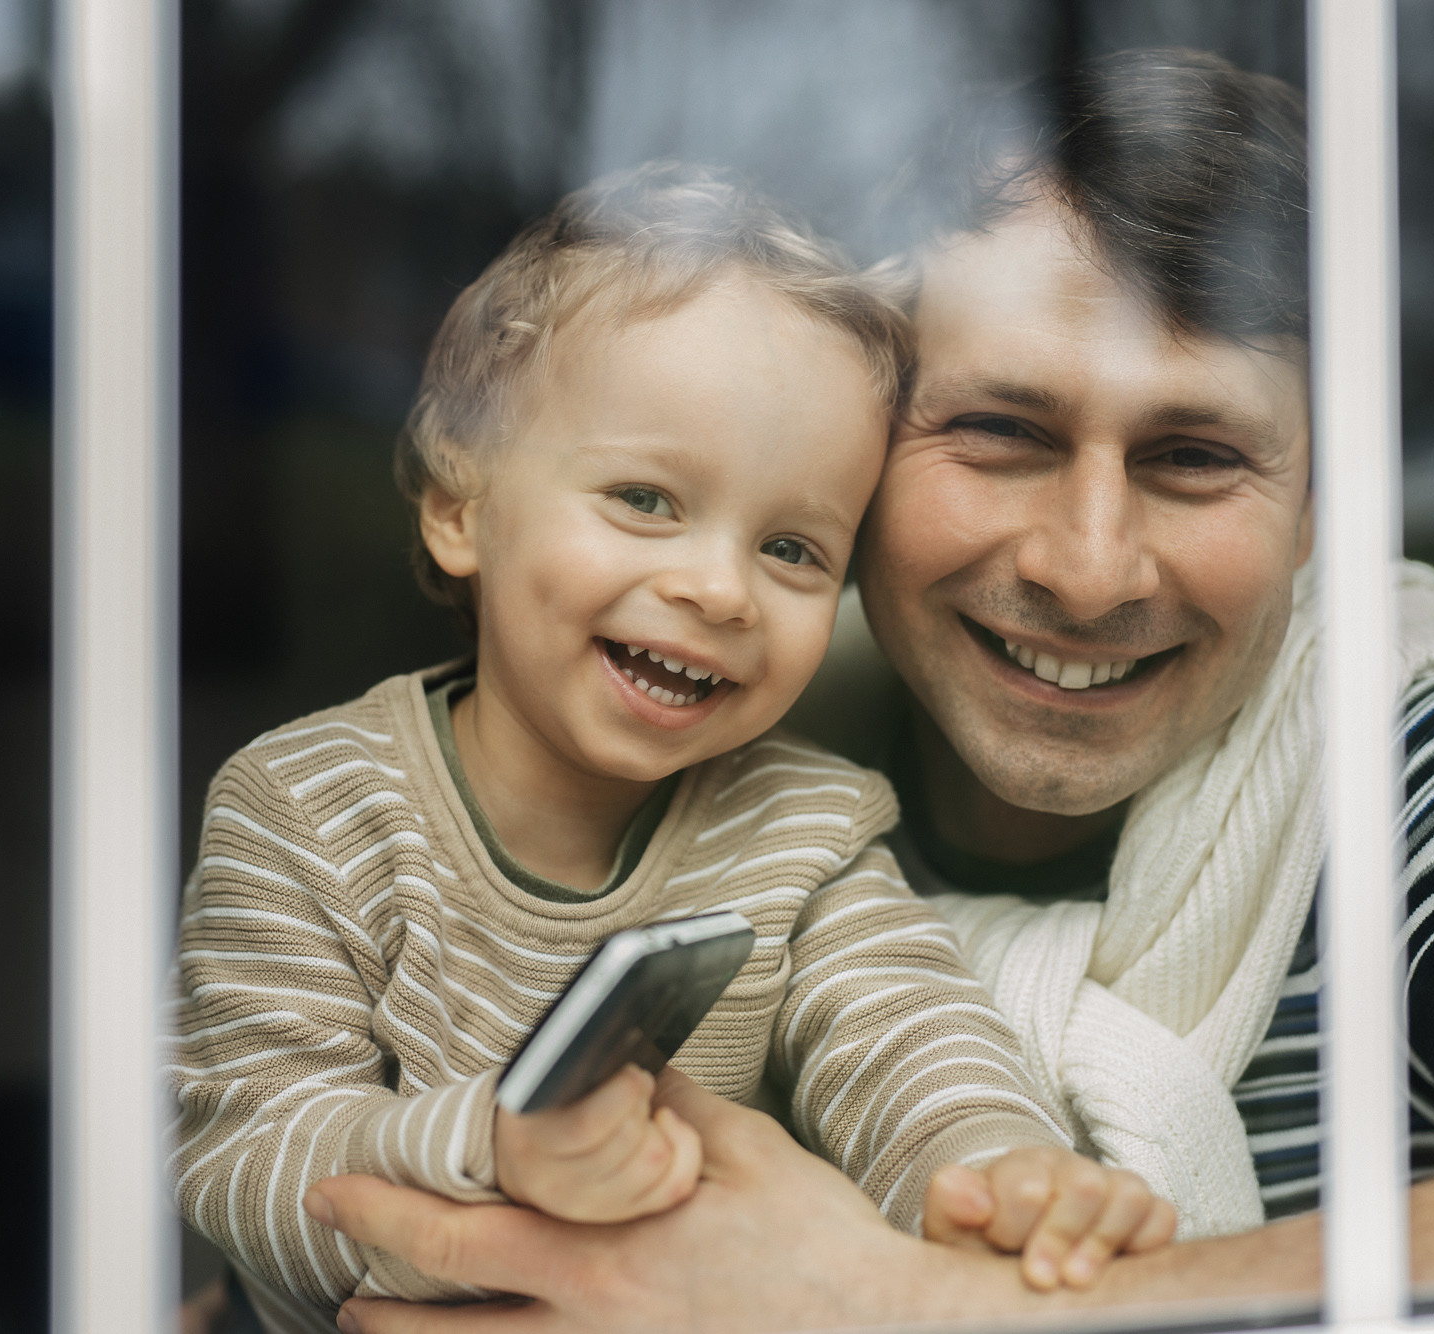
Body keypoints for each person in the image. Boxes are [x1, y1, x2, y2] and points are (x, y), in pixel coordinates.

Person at [302, 49, 1434, 1333]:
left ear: (1320, 503)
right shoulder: (710, 714)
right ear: (862, 448)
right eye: (1002, 431)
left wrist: (934, 1308)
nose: (1092, 568)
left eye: (1195, 456)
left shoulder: (1400, 749)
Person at [167, 163, 1179, 1334]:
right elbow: (242, 1153)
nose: (716, 588)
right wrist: (493, 1148)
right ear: (460, 507)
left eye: (793, 550)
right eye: (646, 499)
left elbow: (906, 1038)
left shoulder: (801, 829)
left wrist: (996, 1171)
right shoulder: (305, 806)